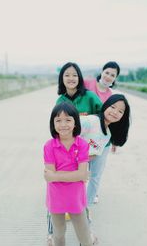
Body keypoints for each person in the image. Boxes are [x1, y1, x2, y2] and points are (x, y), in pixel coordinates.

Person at [43, 102, 98, 246]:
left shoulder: (82, 145)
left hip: (76, 197)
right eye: (58, 120)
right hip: (56, 197)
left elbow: (81, 174)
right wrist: (75, 175)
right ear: (53, 123)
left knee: (84, 234)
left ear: (75, 123)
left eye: (68, 120)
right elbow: (49, 174)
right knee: (59, 234)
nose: (63, 124)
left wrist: (55, 176)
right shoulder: (49, 145)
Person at [79, 94, 130, 218]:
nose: (115, 112)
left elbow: (94, 154)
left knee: (92, 178)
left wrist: (86, 159)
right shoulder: (89, 121)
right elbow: (68, 134)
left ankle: (85, 207)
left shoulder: (107, 135)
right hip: (68, 160)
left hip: (81, 161)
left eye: (120, 111)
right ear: (106, 105)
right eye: (113, 107)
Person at [84, 61, 120, 203]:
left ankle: (91, 197)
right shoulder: (88, 84)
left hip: (102, 139)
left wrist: (115, 140)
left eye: (112, 75)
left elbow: (114, 119)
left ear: (115, 78)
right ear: (102, 72)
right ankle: (76, 194)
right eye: (107, 72)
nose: (108, 76)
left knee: (96, 172)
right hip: (83, 136)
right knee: (79, 168)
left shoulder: (112, 96)